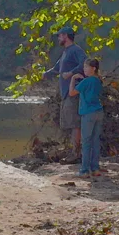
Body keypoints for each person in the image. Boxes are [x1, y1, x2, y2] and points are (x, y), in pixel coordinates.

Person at [44, 28, 86, 157]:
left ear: (66, 36)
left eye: (60, 36)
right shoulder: (65, 52)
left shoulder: (76, 50)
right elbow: (57, 68)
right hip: (65, 93)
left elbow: (85, 63)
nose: (58, 38)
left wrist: (71, 73)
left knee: (75, 124)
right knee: (69, 123)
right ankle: (73, 150)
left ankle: (76, 153)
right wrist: (45, 74)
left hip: (73, 92)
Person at [69, 58, 104, 177]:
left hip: (88, 114)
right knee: (95, 141)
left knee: (86, 142)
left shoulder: (86, 81)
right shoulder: (98, 80)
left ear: (93, 69)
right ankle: (95, 169)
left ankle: (84, 170)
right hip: (99, 112)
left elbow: (72, 93)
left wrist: (73, 79)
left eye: (86, 67)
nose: (84, 69)